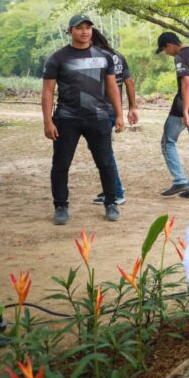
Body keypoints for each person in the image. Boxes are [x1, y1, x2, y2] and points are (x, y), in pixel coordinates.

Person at [41, 14, 125, 225]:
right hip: (66, 118)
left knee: (105, 163)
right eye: (79, 28)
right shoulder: (58, 58)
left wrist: (120, 114)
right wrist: (47, 121)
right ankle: (61, 206)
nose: (85, 31)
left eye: (88, 27)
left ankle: (111, 202)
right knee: (61, 165)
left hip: (98, 117)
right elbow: (48, 92)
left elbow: (113, 87)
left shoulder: (104, 56)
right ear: (70, 31)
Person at [155, 31, 189, 198]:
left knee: (167, 142)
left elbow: (186, 83)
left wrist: (184, 110)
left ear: (169, 45)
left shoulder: (180, 57)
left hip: (183, 108)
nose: (166, 54)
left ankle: (179, 180)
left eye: (164, 50)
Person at [90, 29, 139, 205]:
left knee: (104, 152)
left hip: (101, 110)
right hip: (114, 109)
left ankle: (116, 192)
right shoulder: (117, 55)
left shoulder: (95, 57)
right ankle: (110, 188)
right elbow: (129, 82)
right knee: (104, 150)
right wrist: (132, 107)